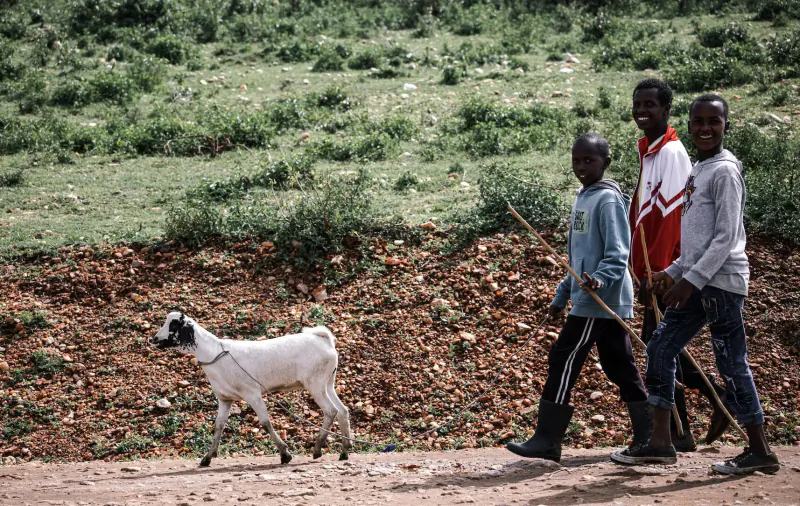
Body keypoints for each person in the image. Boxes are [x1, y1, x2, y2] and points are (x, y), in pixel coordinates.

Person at [611, 95, 781, 475]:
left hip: (721, 283)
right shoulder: (699, 169)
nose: (705, 128)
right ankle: (661, 442)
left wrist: (689, 281)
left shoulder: (725, 171)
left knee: (730, 361)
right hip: (699, 279)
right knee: (660, 346)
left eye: (713, 121)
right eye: (699, 121)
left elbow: (725, 239)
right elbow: (694, 243)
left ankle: (760, 450)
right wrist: (670, 273)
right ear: (689, 125)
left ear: (725, 125)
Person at [507, 133, 650, 462]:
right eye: (577, 160)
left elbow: (618, 254)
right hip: (591, 295)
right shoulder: (583, 196)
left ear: (606, 163)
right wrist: (562, 294)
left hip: (599, 299)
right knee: (620, 366)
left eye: (590, 160)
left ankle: (547, 438)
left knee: (564, 357)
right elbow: (577, 258)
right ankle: (651, 436)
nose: (582, 167)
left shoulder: (609, 201)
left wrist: (598, 279)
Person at [629, 78, 729, 451]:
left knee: (661, 348)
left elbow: (672, 219)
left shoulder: (670, 154)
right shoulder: (650, 151)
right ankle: (681, 429)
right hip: (657, 270)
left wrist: (656, 274)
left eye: (651, 105)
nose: (642, 111)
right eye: (638, 104)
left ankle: (712, 405)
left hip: (667, 271)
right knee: (662, 347)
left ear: (667, 110)